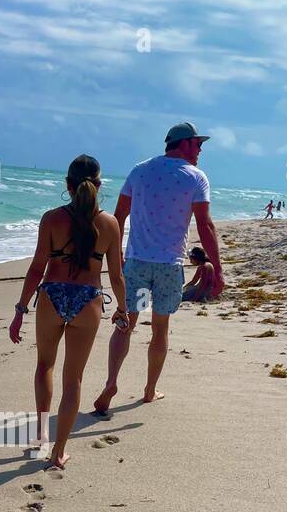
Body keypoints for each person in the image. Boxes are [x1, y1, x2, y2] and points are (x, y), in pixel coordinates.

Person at [92, 121, 223, 415]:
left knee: (126, 324)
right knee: (161, 328)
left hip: (137, 263)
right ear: (183, 144)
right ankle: (150, 390)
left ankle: (112, 382)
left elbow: (118, 217)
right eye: (197, 144)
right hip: (168, 267)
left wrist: (115, 256)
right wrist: (219, 269)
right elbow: (205, 225)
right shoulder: (196, 178)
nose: (201, 149)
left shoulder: (140, 170)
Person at [9, 154, 127, 471]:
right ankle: (58, 453)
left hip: (52, 296)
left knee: (45, 365)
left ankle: (40, 435)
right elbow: (117, 275)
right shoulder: (110, 224)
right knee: (72, 379)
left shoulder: (51, 219)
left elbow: (37, 269)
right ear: (99, 185)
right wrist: (123, 309)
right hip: (88, 301)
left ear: (67, 185)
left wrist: (21, 309)